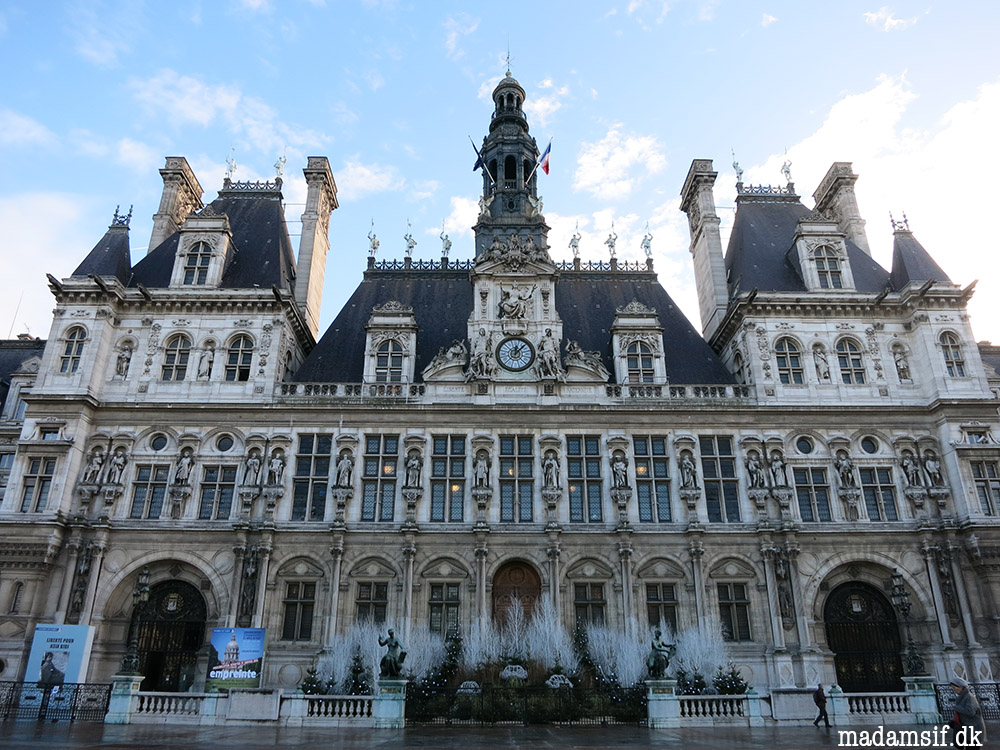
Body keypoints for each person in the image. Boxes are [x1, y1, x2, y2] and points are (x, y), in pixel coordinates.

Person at [950, 677, 987, 745]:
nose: (954, 690)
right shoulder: (961, 697)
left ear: (961, 687)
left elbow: (970, 712)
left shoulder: (969, 697)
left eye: (955, 688)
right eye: (953, 688)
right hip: (967, 729)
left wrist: (956, 707)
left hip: (974, 729)